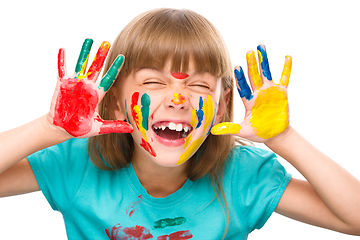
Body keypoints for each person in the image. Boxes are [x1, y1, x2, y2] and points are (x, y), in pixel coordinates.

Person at [0, 8, 359, 240]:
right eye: (153, 83)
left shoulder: (242, 177)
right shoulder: (77, 164)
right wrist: (51, 128)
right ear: (113, 102)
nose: (177, 98)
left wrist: (284, 137)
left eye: (199, 85)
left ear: (221, 108)